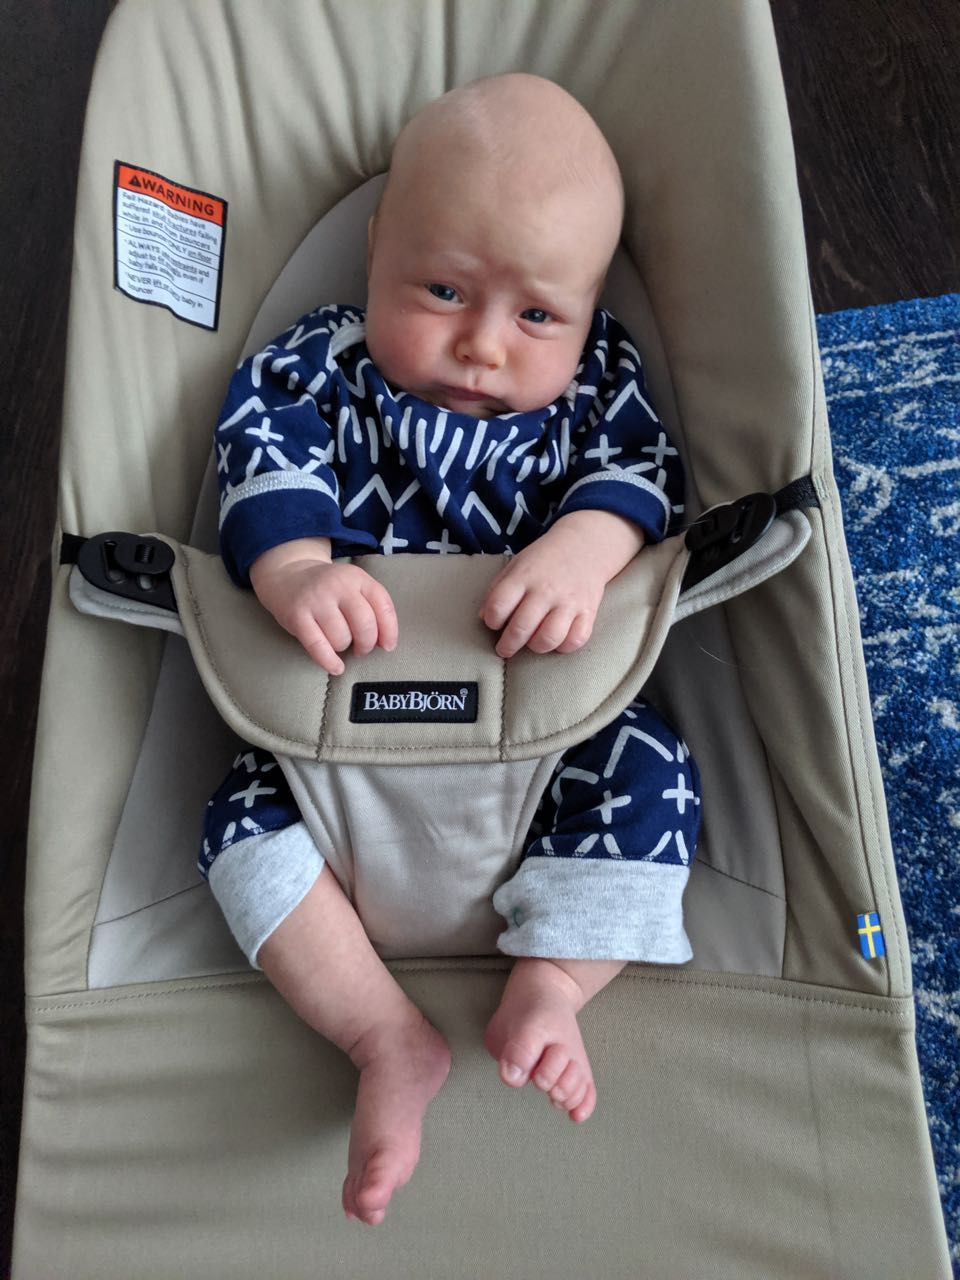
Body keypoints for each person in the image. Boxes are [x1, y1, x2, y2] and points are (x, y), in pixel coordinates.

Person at [203, 73, 701, 1226]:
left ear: (589, 310)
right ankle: (384, 1032)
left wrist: (583, 547)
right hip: (336, 768)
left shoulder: (596, 389)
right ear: (377, 245)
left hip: (548, 761)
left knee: (655, 778)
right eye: (442, 289)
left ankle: (553, 979)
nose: (481, 345)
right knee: (235, 822)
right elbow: (260, 451)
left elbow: (644, 477)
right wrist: (295, 567)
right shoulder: (321, 366)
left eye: (538, 317)